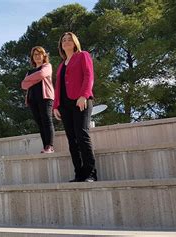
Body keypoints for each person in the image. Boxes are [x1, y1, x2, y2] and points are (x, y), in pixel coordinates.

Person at [53, 32, 98, 182]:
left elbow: (88, 75)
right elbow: (58, 86)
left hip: (80, 101)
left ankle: (91, 173)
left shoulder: (83, 55)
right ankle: (79, 174)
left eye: (69, 40)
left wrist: (84, 95)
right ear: (61, 45)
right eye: (63, 40)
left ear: (75, 42)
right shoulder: (61, 65)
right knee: (72, 140)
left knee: (82, 135)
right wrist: (56, 106)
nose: (66, 42)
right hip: (65, 105)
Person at [21, 46, 55, 153]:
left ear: (44, 55)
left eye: (39, 54)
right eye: (35, 54)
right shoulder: (29, 71)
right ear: (32, 57)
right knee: (40, 123)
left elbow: (42, 74)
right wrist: (33, 79)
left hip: (45, 98)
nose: (37, 56)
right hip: (32, 99)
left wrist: (28, 79)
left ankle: (50, 146)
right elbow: (23, 85)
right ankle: (45, 146)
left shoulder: (47, 66)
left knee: (47, 120)